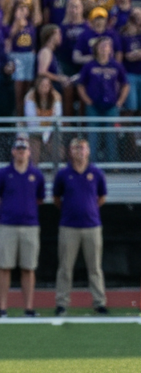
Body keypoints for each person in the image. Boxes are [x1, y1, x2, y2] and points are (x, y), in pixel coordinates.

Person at [52, 137, 108, 316]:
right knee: (65, 268)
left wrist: (88, 209)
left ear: (88, 151)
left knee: (95, 268)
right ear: (70, 151)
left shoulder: (96, 173)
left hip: (92, 226)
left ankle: (99, 302)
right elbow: (56, 198)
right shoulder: (63, 174)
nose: (79, 152)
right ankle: (61, 303)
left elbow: (102, 197)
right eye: (75, 148)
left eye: (82, 148)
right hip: (69, 227)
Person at [0, 135, 44, 317]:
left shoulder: (36, 175)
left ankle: (28, 307)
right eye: (18, 148)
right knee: (4, 267)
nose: (20, 151)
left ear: (29, 152)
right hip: (7, 225)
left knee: (29, 267)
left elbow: (40, 198)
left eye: (23, 148)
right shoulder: (4, 173)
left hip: (30, 226)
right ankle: (2, 307)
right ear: (13, 151)